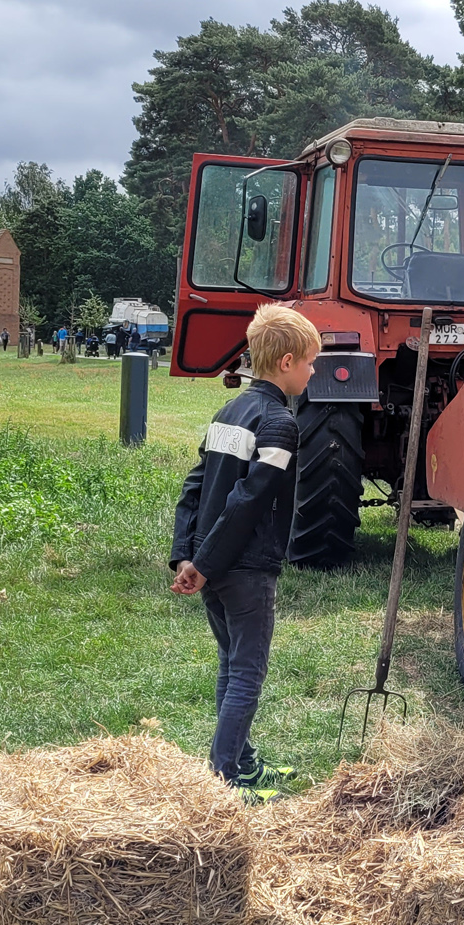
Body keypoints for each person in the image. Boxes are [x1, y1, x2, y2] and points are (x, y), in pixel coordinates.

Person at [170, 304, 320, 802]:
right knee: (247, 673)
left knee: (230, 664)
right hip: (245, 569)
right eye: (309, 362)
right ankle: (225, 778)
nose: (312, 371)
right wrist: (205, 565)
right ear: (286, 362)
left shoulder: (228, 413)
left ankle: (244, 759)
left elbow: (194, 489)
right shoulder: (279, 424)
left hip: (212, 565)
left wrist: (185, 556)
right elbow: (248, 502)